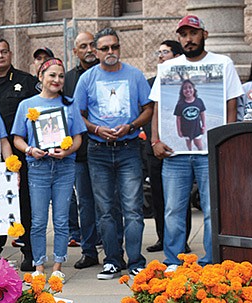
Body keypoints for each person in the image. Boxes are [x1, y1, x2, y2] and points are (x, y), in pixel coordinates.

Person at [150, 15, 243, 268]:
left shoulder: (223, 63)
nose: (188, 39)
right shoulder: (169, 68)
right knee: (173, 211)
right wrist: (155, 140)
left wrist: (228, 143)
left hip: (211, 152)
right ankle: (174, 260)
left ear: (204, 34)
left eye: (193, 33)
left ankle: (211, 261)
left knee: (213, 211)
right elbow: (158, 106)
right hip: (174, 153)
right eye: (184, 35)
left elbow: (231, 104)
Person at [74, 27, 153, 279]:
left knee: (132, 208)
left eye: (115, 47)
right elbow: (78, 115)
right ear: (96, 52)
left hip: (129, 148)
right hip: (98, 150)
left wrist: (131, 125)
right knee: (105, 210)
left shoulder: (134, 75)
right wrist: (96, 128)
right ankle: (112, 259)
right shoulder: (87, 79)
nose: (111, 52)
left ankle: (136, 261)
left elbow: (148, 108)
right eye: (105, 48)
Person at [12, 58, 84, 279]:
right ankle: (39, 266)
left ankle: (58, 267)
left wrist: (67, 151)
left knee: (62, 219)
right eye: (52, 75)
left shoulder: (70, 104)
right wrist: (29, 150)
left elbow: (78, 138)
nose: (57, 80)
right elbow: (17, 138)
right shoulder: (27, 105)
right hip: (38, 167)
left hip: (64, 167)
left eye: (61, 76)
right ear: (41, 77)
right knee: (38, 220)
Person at [0, 37, 39, 271]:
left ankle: (29, 252)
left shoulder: (26, 82)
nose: (0, 56)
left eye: (4, 51)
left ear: (10, 54)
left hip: (19, 153)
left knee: (24, 203)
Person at [142, 40, 191, 254]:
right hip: (155, 147)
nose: (160, 56)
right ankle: (163, 237)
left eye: (165, 52)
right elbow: (147, 110)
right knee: (159, 195)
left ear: (178, 56)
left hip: (179, 147)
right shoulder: (152, 81)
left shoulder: (186, 80)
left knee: (180, 197)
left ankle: (183, 239)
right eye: (158, 52)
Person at [63, 31, 106, 270]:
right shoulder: (68, 79)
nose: (89, 49)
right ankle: (88, 250)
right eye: (83, 46)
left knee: (109, 202)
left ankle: (111, 249)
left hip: (106, 148)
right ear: (75, 51)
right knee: (85, 203)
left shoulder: (108, 75)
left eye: (92, 45)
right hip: (80, 153)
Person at [174, 79, 206, 151]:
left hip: (197, 128)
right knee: (188, 142)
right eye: (185, 88)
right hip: (185, 129)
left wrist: (204, 125)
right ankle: (190, 152)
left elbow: (202, 114)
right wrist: (179, 131)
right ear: (182, 91)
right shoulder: (180, 104)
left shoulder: (199, 101)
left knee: (198, 144)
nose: (188, 90)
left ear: (194, 89)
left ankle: (200, 152)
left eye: (190, 87)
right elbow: (178, 119)